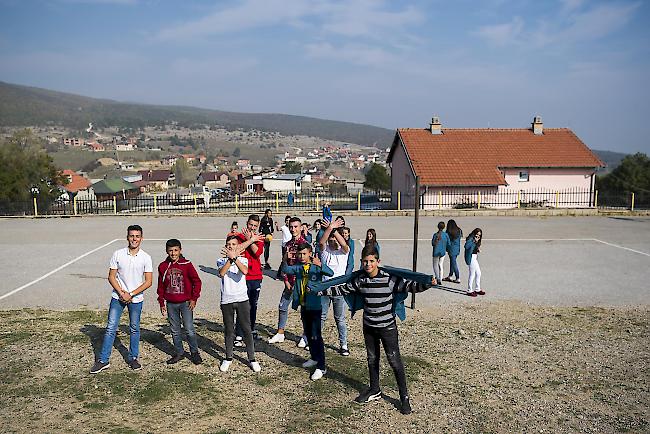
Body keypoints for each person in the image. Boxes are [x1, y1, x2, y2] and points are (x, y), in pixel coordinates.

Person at [310, 245, 437, 414]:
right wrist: (320, 291)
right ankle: (375, 389)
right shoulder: (360, 280)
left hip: (387, 328)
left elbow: (410, 286)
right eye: (365, 261)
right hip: (369, 326)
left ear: (378, 261)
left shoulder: (388, 279)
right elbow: (341, 288)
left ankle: (404, 397)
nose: (368, 265)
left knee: (394, 361)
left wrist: (427, 284)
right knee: (372, 358)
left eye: (371, 261)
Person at [90, 225, 153, 374]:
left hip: (136, 299)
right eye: (131, 236)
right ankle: (103, 360)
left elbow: (148, 281)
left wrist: (130, 294)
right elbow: (111, 276)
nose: (134, 239)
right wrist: (121, 292)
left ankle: (133, 358)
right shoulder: (118, 254)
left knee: (134, 328)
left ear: (141, 238)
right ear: (127, 237)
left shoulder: (146, 257)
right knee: (111, 327)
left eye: (137, 236)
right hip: (117, 297)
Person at [282, 242, 334, 380]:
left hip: (315, 307)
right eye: (300, 254)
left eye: (304, 254)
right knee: (308, 334)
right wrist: (285, 257)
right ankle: (314, 357)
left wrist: (320, 265)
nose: (301, 256)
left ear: (310, 253)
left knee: (317, 336)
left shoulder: (315, 267)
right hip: (304, 306)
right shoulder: (298, 267)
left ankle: (322, 367)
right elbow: (286, 269)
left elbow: (331, 273)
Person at [217, 235, 261, 372]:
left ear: (239, 247)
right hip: (227, 300)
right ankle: (228, 357)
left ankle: (252, 358)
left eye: (234, 244)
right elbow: (222, 273)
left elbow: (245, 271)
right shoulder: (221, 260)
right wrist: (230, 259)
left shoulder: (243, 259)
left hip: (242, 299)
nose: (231, 246)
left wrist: (234, 258)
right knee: (229, 330)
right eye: (228, 244)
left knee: (246, 329)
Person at [157, 239, 203, 365]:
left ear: (180, 250)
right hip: (171, 304)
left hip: (186, 303)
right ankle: (179, 352)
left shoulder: (187, 264)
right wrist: (161, 302)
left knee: (189, 329)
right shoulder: (163, 266)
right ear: (167, 251)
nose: (173, 253)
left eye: (176, 250)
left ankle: (194, 352)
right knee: (175, 330)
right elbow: (160, 286)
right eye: (170, 251)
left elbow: (197, 282)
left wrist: (194, 298)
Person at [269, 216, 307, 346]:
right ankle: (280, 333)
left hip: (301, 283)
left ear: (301, 227)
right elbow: (284, 264)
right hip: (289, 283)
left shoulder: (305, 244)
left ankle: (305, 336)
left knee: (304, 310)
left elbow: (307, 265)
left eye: (296, 226)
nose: (293, 229)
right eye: (291, 227)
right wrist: (285, 280)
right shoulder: (288, 244)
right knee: (283, 306)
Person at [318, 218, 350, 356]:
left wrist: (334, 229)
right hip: (325, 288)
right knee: (321, 317)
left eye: (335, 239)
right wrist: (329, 229)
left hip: (339, 289)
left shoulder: (344, 252)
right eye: (331, 239)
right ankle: (316, 341)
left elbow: (344, 244)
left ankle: (343, 344)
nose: (333, 241)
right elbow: (321, 242)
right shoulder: (325, 252)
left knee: (340, 318)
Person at [234, 214, 265, 344]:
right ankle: (239, 333)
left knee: (253, 305)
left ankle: (251, 330)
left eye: (255, 226)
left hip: (256, 276)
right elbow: (235, 249)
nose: (252, 228)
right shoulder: (239, 237)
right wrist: (249, 240)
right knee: (242, 305)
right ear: (247, 223)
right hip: (243, 276)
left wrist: (252, 240)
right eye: (250, 225)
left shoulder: (259, 238)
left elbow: (257, 252)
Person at [464, 228, 485, 297]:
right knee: (472, 274)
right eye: (476, 235)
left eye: (479, 236)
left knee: (478, 273)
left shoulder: (476, 240)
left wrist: (477, 249)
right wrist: (474, 241)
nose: (478, 237)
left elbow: (473, 248)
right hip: (471, 257)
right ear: (474, 233)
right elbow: (466, 246)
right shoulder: (470, 239)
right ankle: (469, 290)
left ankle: (477, 289)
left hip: (474, 257)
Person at [443, 219, 463, 284]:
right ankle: (450, 275)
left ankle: (458, 277)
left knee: (454, 263)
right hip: (457, 248)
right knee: (452, 262)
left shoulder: (449, 231)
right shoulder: (459, 230)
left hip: (451, 249)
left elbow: (446, 240)